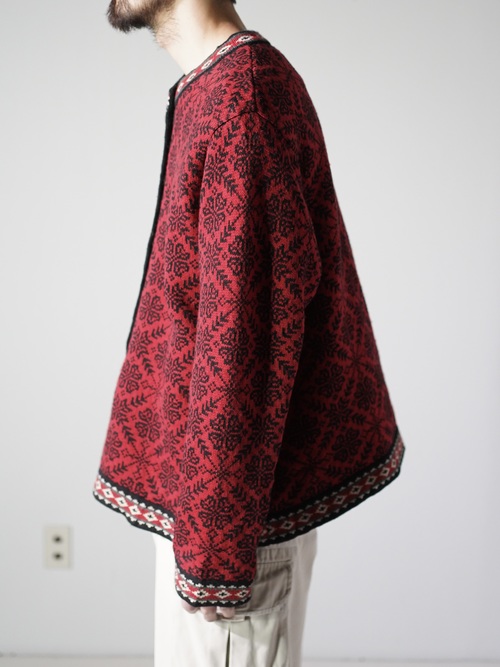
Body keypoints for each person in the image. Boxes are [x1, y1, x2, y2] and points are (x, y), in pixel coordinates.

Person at [92, 0, 406, 664]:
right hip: (211, 505)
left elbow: (244, 333)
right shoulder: (215, 87)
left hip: (231, 523)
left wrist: (215, 550)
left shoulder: (242, 98)